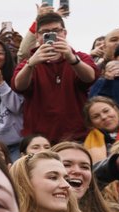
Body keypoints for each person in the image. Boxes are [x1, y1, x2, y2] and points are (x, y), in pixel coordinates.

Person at [12, 10, 98, 143]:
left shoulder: (80, 57)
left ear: (64, 33)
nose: (52, 35)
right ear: (37, 36)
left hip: (76, 137)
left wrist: (71, 58)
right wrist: (31, 64)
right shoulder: (28, 62)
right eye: (45, 32)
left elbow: (90, 77)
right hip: (39, 140)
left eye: (56, 30)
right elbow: (19, 85)